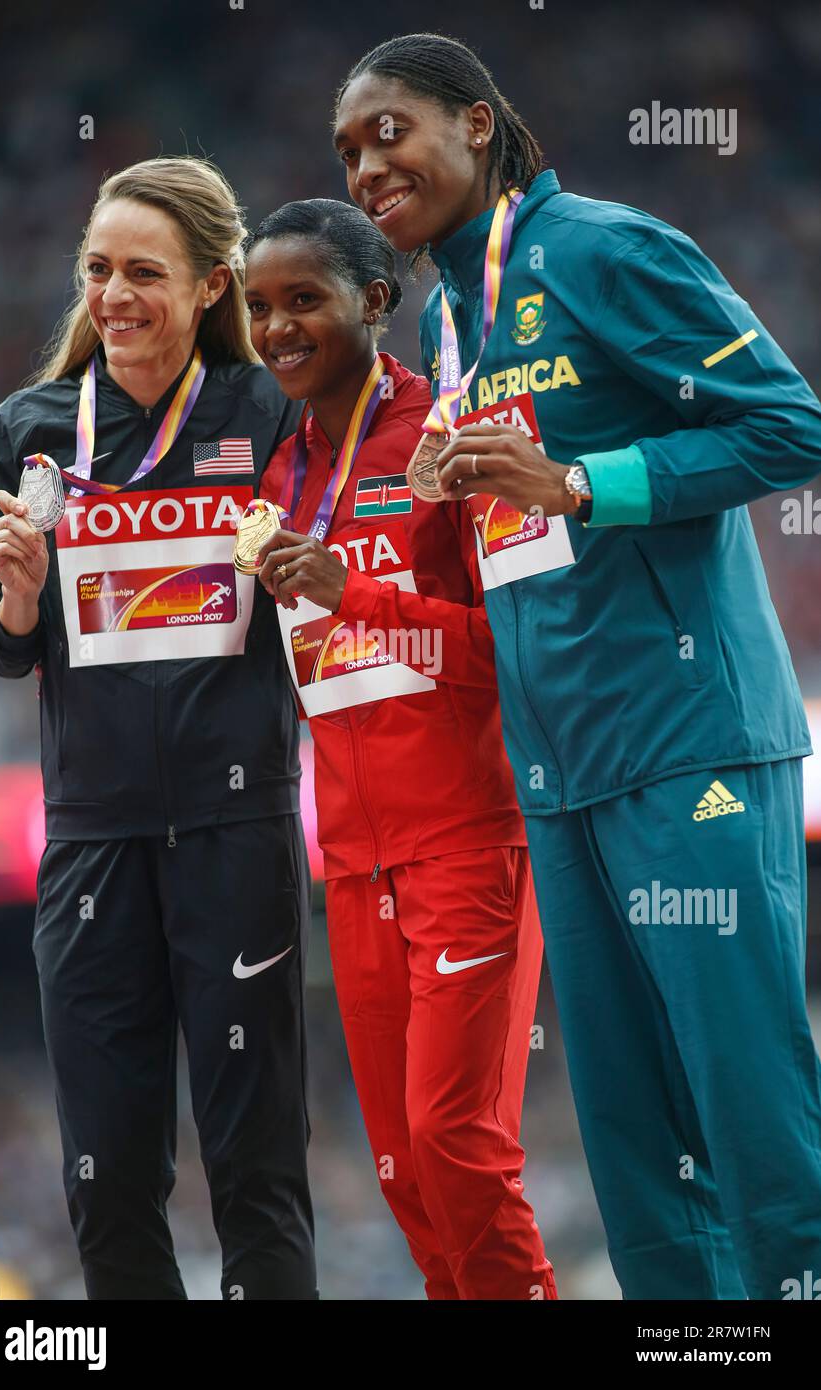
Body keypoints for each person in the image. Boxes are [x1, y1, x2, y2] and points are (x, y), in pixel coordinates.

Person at [336, 32, 821, 1301]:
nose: (365, 167)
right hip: (556, 773)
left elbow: (787, 427)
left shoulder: (600, 248)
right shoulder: (447, 319)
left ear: (477, 124)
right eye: (345, 153)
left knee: (745, 1107)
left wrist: (581, 482)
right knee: (632, 1146)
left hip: (688, 741)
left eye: (390, 130)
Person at [0, 157, 316, 1301]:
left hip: (239, 831)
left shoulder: (270, 411)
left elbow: (326, 590)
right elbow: (2, 641)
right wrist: (18, 594)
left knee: (255, 1171)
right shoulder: (25, 430)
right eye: (98, 269)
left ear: (214, 284)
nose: (114, 293)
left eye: (144, 273)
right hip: (92, 843)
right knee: (108, 1179)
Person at [243, 197, 558, 1300]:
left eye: (303, 300)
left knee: (458, 1145)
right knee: (409, 1176)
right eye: (258, 308)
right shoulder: (277, 480)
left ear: (375, 301)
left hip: (469, 844)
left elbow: (518, 654)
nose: (277, 328)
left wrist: (356, 594)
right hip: (355, 866)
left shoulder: (451, 439)